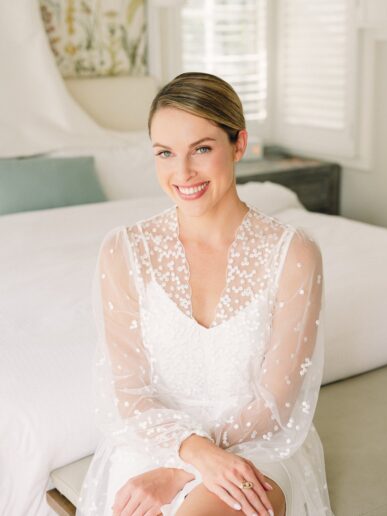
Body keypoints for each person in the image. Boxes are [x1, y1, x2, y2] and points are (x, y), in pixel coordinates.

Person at [76, 72, 334, 516]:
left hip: (258, 446)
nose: (182, 173)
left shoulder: (294, 254)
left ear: (238, 145)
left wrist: (184, 468)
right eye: (165, 153)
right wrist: (186, 451)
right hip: (153, 441)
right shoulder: (125, 250)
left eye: (201, 149)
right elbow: (129, 391)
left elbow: (276, 403)